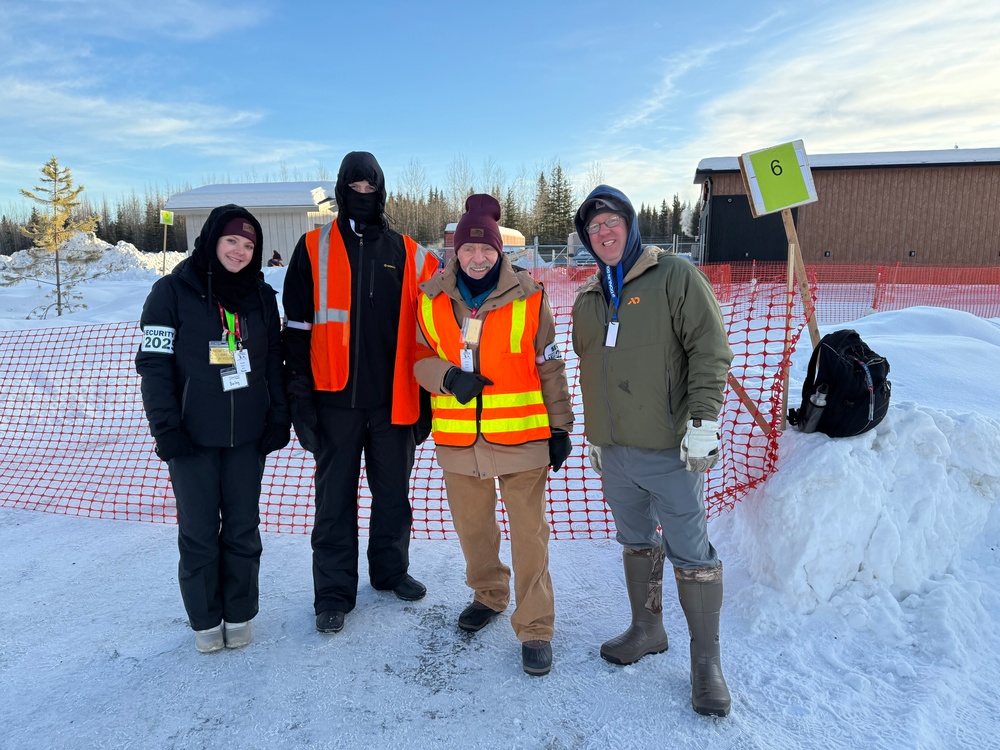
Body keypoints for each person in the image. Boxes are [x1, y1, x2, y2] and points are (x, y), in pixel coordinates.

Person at [571, 185, 734, 716]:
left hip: (671, 449)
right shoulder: (590, 297)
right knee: (636, 540)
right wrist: (596, 431)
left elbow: (710, 351)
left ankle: (706, 664)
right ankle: (647, 629)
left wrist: (704, 422)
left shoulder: (675, 277)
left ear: (630, 224)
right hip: (615, 452)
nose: (604, 234)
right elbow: (592, 368)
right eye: (593, 228)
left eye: (612, 222)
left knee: (692, 552)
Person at [414, 194, 573, 676]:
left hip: (522, 440)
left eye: (486, 250)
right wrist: (447, 377)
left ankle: (536, 625)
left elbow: (549, 364)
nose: (477, 258)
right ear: (454, 252)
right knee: (474, 531)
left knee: (530, 536)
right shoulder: (430, 298)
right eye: (468, 249)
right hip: (459, 442)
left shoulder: (532, 295)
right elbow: (415, 359)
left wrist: (560, 425)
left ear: (500, 253)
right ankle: (489, 594)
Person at [281, 151, 439, 634]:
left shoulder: (411, 254)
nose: (363, 197)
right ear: (341, 191)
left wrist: (425, 402)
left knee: (393, 495)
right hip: (333, 403)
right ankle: (332, 593)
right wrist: (300, 399)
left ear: (382, 192)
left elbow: (429, 334)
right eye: (354, 188)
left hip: (395, 402)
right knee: (334, 502)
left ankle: (390, 571)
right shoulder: (312, 248)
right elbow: (296, 329)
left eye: (371, 189)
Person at [135, 203, 290, 654]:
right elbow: (154, 366)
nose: (240, 251)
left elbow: (273, 364)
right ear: (211, 240)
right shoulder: (170, 292)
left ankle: (238, 613)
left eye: (249, 244)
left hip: (247, 438)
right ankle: (205, 619)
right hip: (191, 440)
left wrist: (279, 416)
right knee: (199, 531)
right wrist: (166, 430)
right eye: (231, 241)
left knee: (242, 528)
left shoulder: (261, 296)